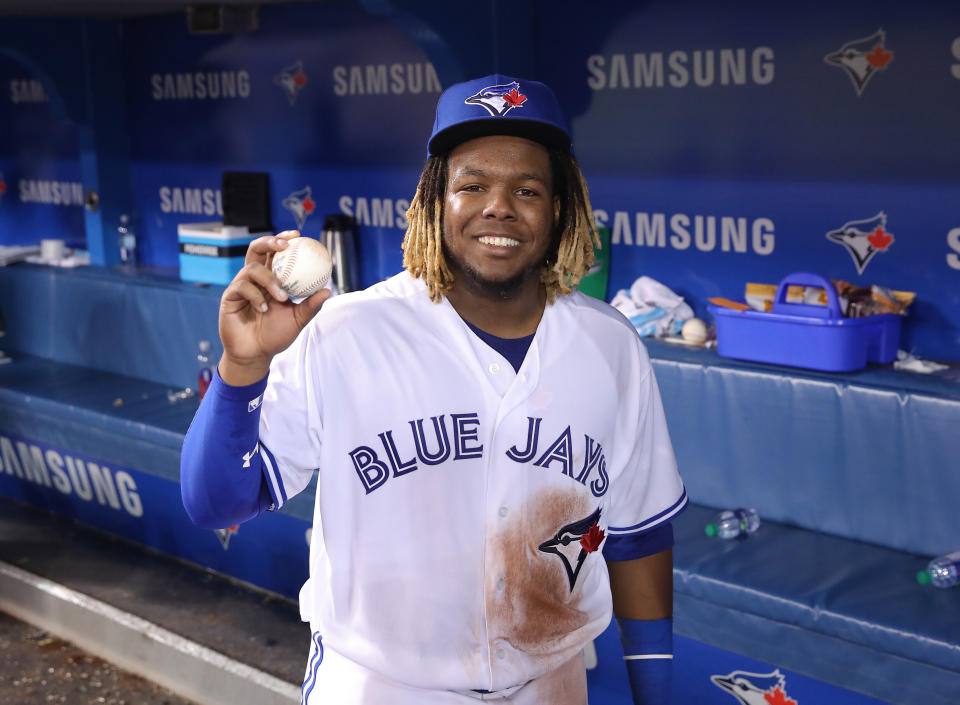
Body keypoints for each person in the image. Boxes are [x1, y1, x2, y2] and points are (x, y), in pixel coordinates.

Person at [180, 74, 687, 705]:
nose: (498, 206)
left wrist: (657, 694)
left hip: (549, 686)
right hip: (378, 687)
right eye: (472, 185)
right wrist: (241, 365)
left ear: (558, 211)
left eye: (526, 189)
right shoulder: (346, 332)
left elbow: (639, 535)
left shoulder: (612, 348)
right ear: (433, 202)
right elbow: (214, 503)